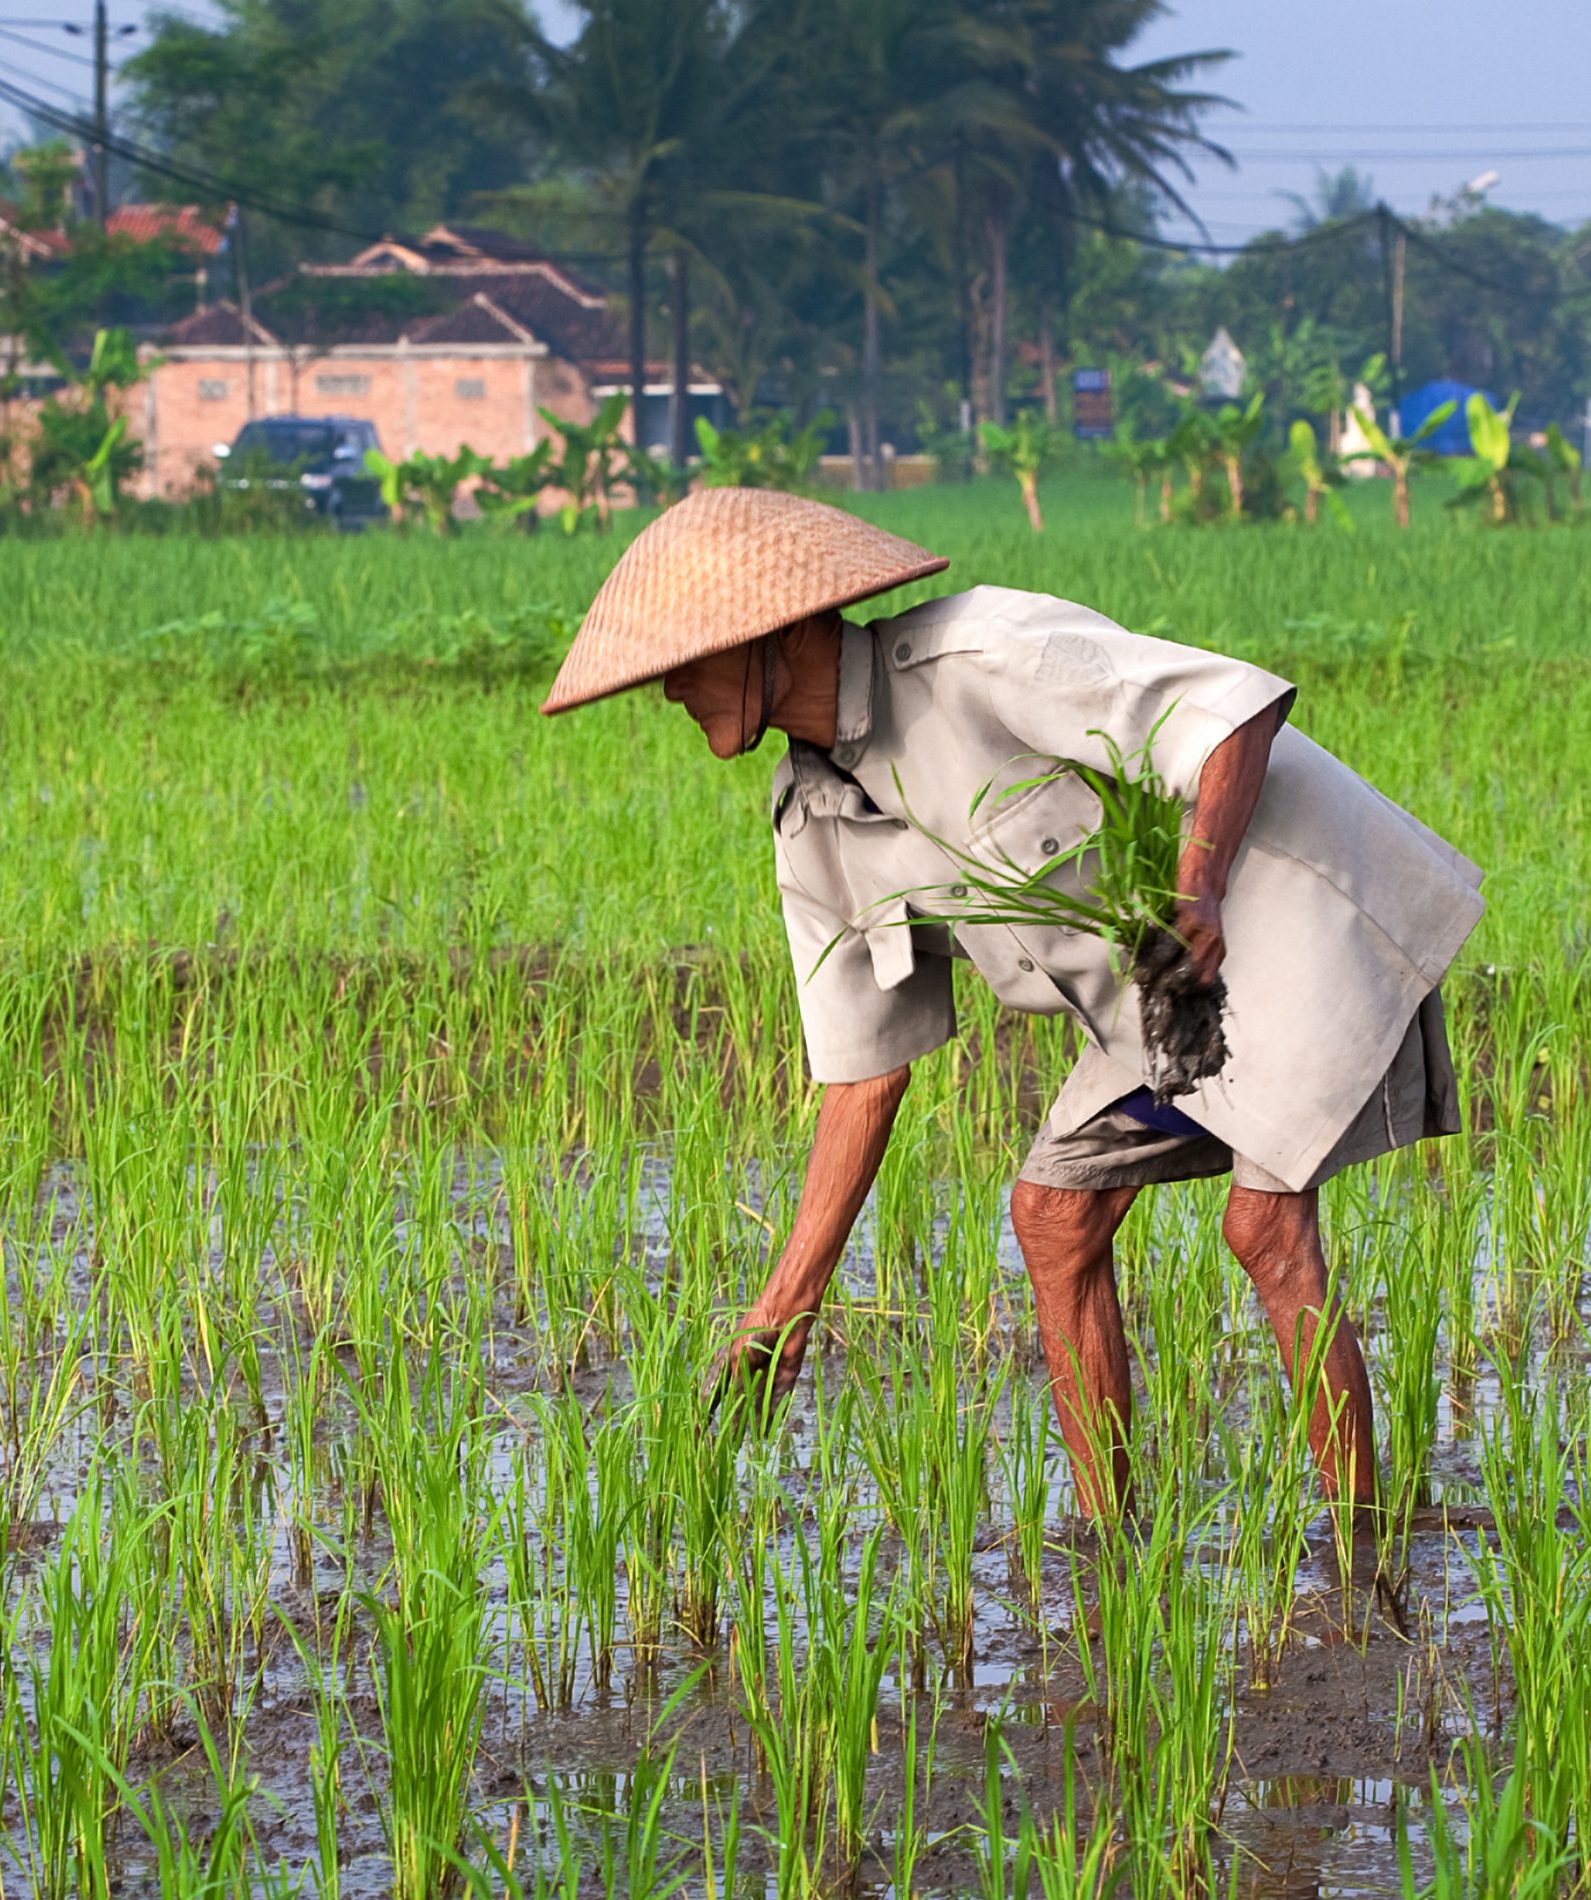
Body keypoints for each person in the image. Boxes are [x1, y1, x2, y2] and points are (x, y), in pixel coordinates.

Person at [538, 487, 1481, 1618]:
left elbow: (1232, 716)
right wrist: (784, 1306)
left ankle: (1364, 1564)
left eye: (684, 664)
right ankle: (1111, 1549)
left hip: (1287, 910)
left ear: (768, 638)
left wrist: (1198, 887)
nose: (670, 693)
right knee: (1053, 1213)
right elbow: (863, 1069)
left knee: (1263, 1227)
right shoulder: (813, 817)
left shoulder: (981, 652)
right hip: (1160, 991)